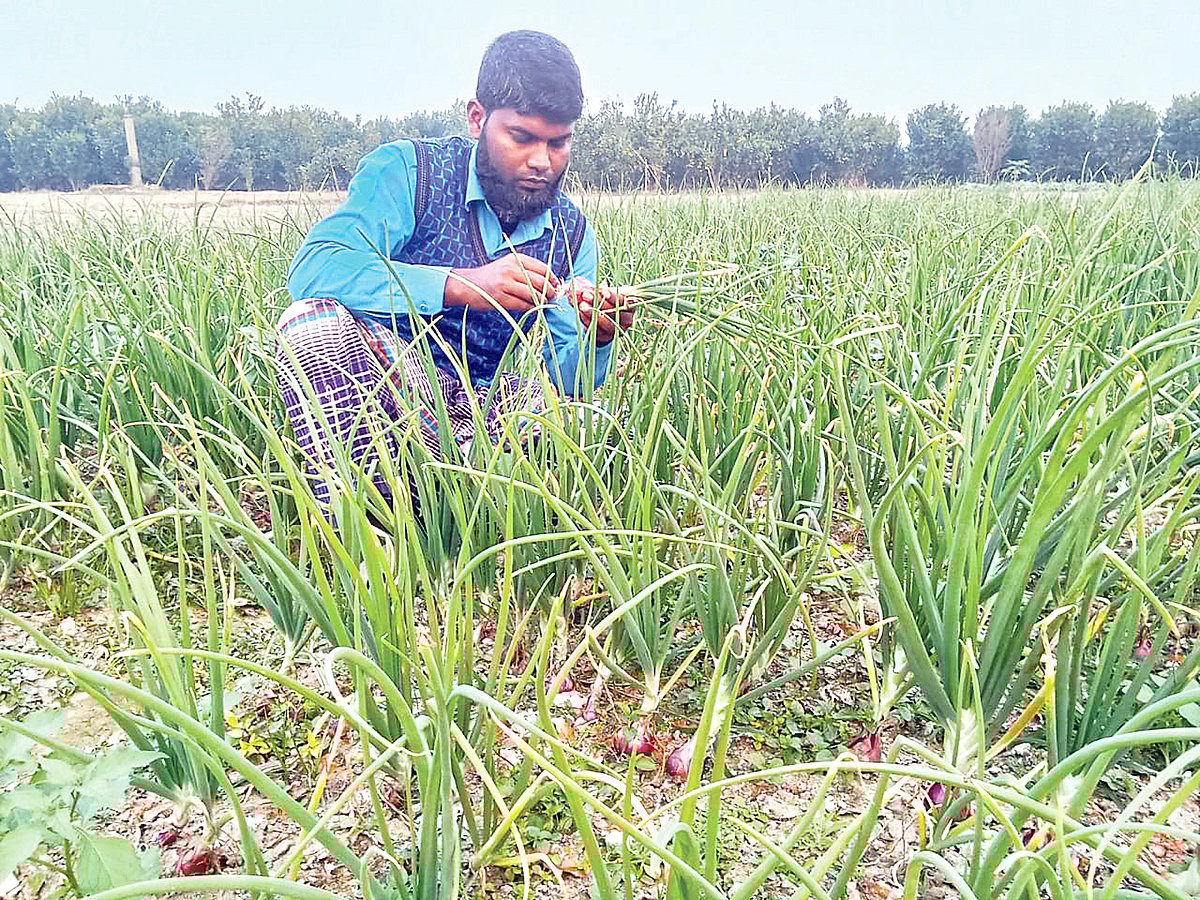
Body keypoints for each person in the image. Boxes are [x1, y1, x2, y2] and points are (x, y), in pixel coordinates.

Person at [276, 30, 632, 505]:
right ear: (477, 118)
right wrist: (463, 285)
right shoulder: (409, 173)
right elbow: (317, 268)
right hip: (399, 388)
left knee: (592, 422)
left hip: (491, 402)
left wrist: (597, 338)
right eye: (521, 137)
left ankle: (460, 482)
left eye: (559, 143)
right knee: (310, 326)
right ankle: (371, 522)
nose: (541, 161)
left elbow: (566, 384)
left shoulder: (571, 232)